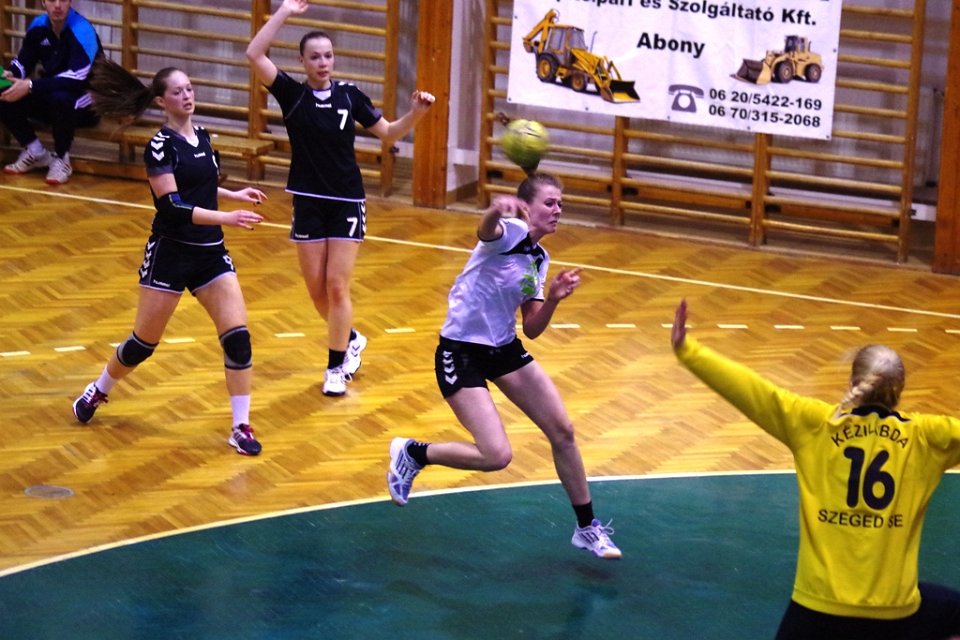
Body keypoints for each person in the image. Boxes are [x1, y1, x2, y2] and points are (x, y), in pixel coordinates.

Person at [671, 299, 960, 639]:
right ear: (901, 389)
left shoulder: (815, 425)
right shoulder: (928, 437)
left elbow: (754, 392)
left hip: (816, 612)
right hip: (893, 617)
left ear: (854, 382)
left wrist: (688, 350)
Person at [386, 173, 622, 560]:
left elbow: (532, 328)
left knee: (563, 431)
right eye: (550, 202)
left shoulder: (539, 258)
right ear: (527, 206)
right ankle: (415, 454)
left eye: (561, 204)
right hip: (461, 351)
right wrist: (496, 209)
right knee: (496, 456)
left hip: (504, 349)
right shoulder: (509, 231)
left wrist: (554, 299)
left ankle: (587, 527)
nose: (558, 210)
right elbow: (485, 230)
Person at [71, 58, 267, 456]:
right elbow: (173, 206)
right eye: (178, 92)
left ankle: (240, 427)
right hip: (171, 253)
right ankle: (99, 389)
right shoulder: (159, 146)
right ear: (162, 101)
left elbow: (202, 186)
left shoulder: (204, 137)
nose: (187, 96)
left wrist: (234, 195)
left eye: (189, 88)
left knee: (239, 339)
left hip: (210, 254)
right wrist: (227, 217)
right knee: (143, 344)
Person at [246, 0, 435, 397]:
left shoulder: (350, 96)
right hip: (307, 201)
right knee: (317, 292)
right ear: (301, 61)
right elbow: (254, 53)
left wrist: (417, 113)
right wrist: (284, 11)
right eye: (315, 57)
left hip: (347, 201)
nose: (323, 62)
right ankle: (350, 338)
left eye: (328, 55)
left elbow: (389, 132)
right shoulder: (292, 95)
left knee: (336, 287)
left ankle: (335, 368)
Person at [0, 0, 103, 185]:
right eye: (52, 0)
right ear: (43, 2)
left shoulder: (83, 30)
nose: (57, 5)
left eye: (62, 0)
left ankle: (62, 159)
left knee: (60, 98)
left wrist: (30, 85)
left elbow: (77, 77)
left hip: (84, 101)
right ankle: (35, 151)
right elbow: (24, 61)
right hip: (49, 95)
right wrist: (11, 74)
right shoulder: (38, 25)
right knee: (3, 90)